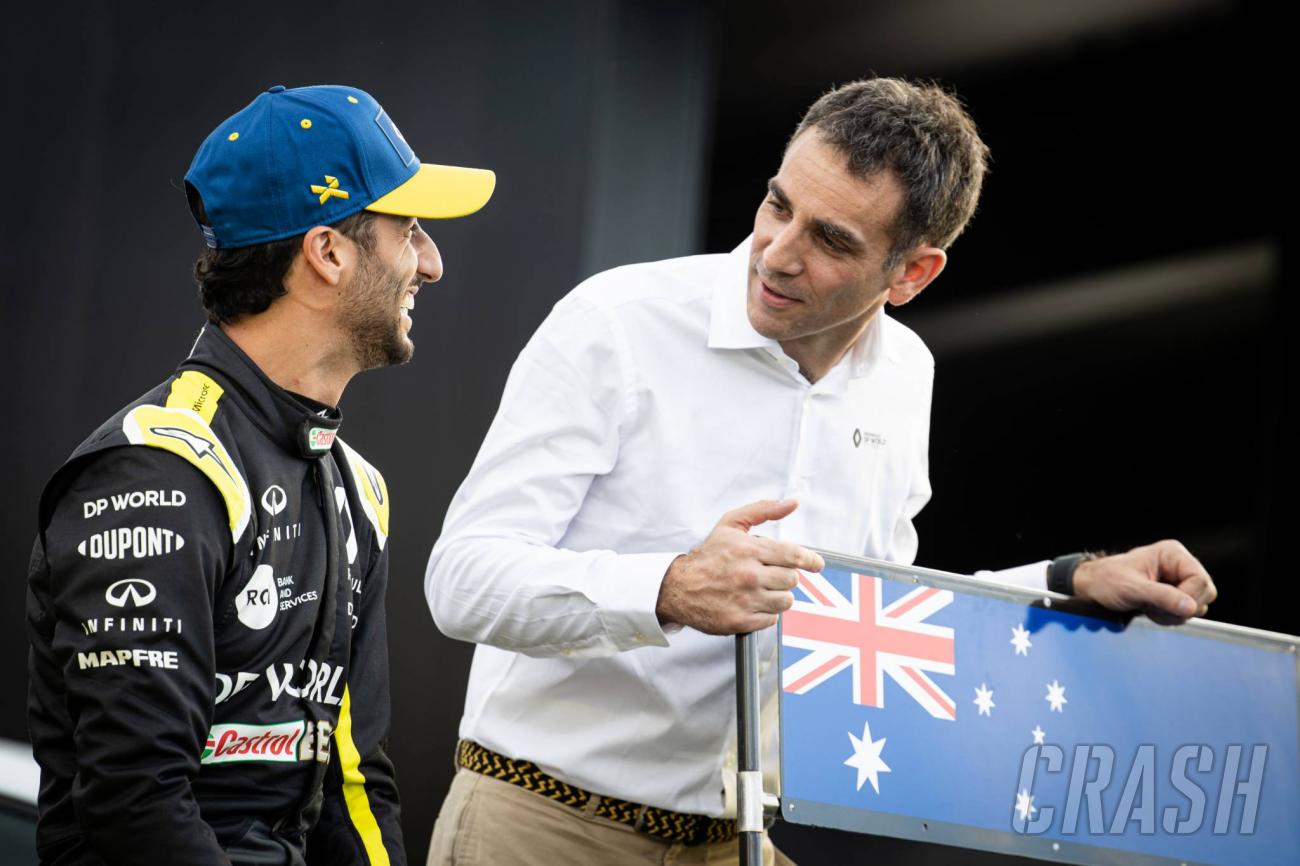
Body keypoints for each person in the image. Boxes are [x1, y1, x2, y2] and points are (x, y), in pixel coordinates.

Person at [423, 77, 1217, 864]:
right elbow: (460, 580)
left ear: (913, 275)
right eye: (778, 204)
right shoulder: (616, 321)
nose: (777, 251)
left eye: (832, 239)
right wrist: (668, 587)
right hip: (537, 825)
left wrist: (1070, 580)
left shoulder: (907, 376)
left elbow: (875, 622)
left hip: (738, 842)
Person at [25, 84, 495, 866]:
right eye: (409, 230)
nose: (432, 264)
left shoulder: (357, 488)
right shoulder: (156, 469)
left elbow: (357, 782)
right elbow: (137, 813)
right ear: (328, 253)